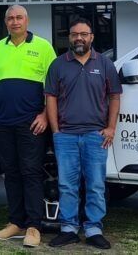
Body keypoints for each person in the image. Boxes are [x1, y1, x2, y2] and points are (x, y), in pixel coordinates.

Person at [44, 16, 122, 250]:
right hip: (66, 135)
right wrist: (56, 130)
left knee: (95, 184)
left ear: (91, 37)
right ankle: (68, 228)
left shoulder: (105, 64)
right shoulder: (58, 64)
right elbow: (50, 98)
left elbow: (115, 96)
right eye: (75, 34)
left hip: (95, 135)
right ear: (69, 37)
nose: (79, 38)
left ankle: (93, 228)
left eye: (83, 34)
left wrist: (110, 128)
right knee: (67, 185)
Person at [0, 5, 56, 248]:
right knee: (11, 173)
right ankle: (16, 222)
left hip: (32, 124)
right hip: (3, 123)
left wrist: (46, 114)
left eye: (19, 18)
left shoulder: (43, 47)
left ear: (27, 20)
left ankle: (34, 226)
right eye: (11, 18)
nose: (15, 22)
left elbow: (53, 86)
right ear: (6, 23)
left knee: (31, 172)